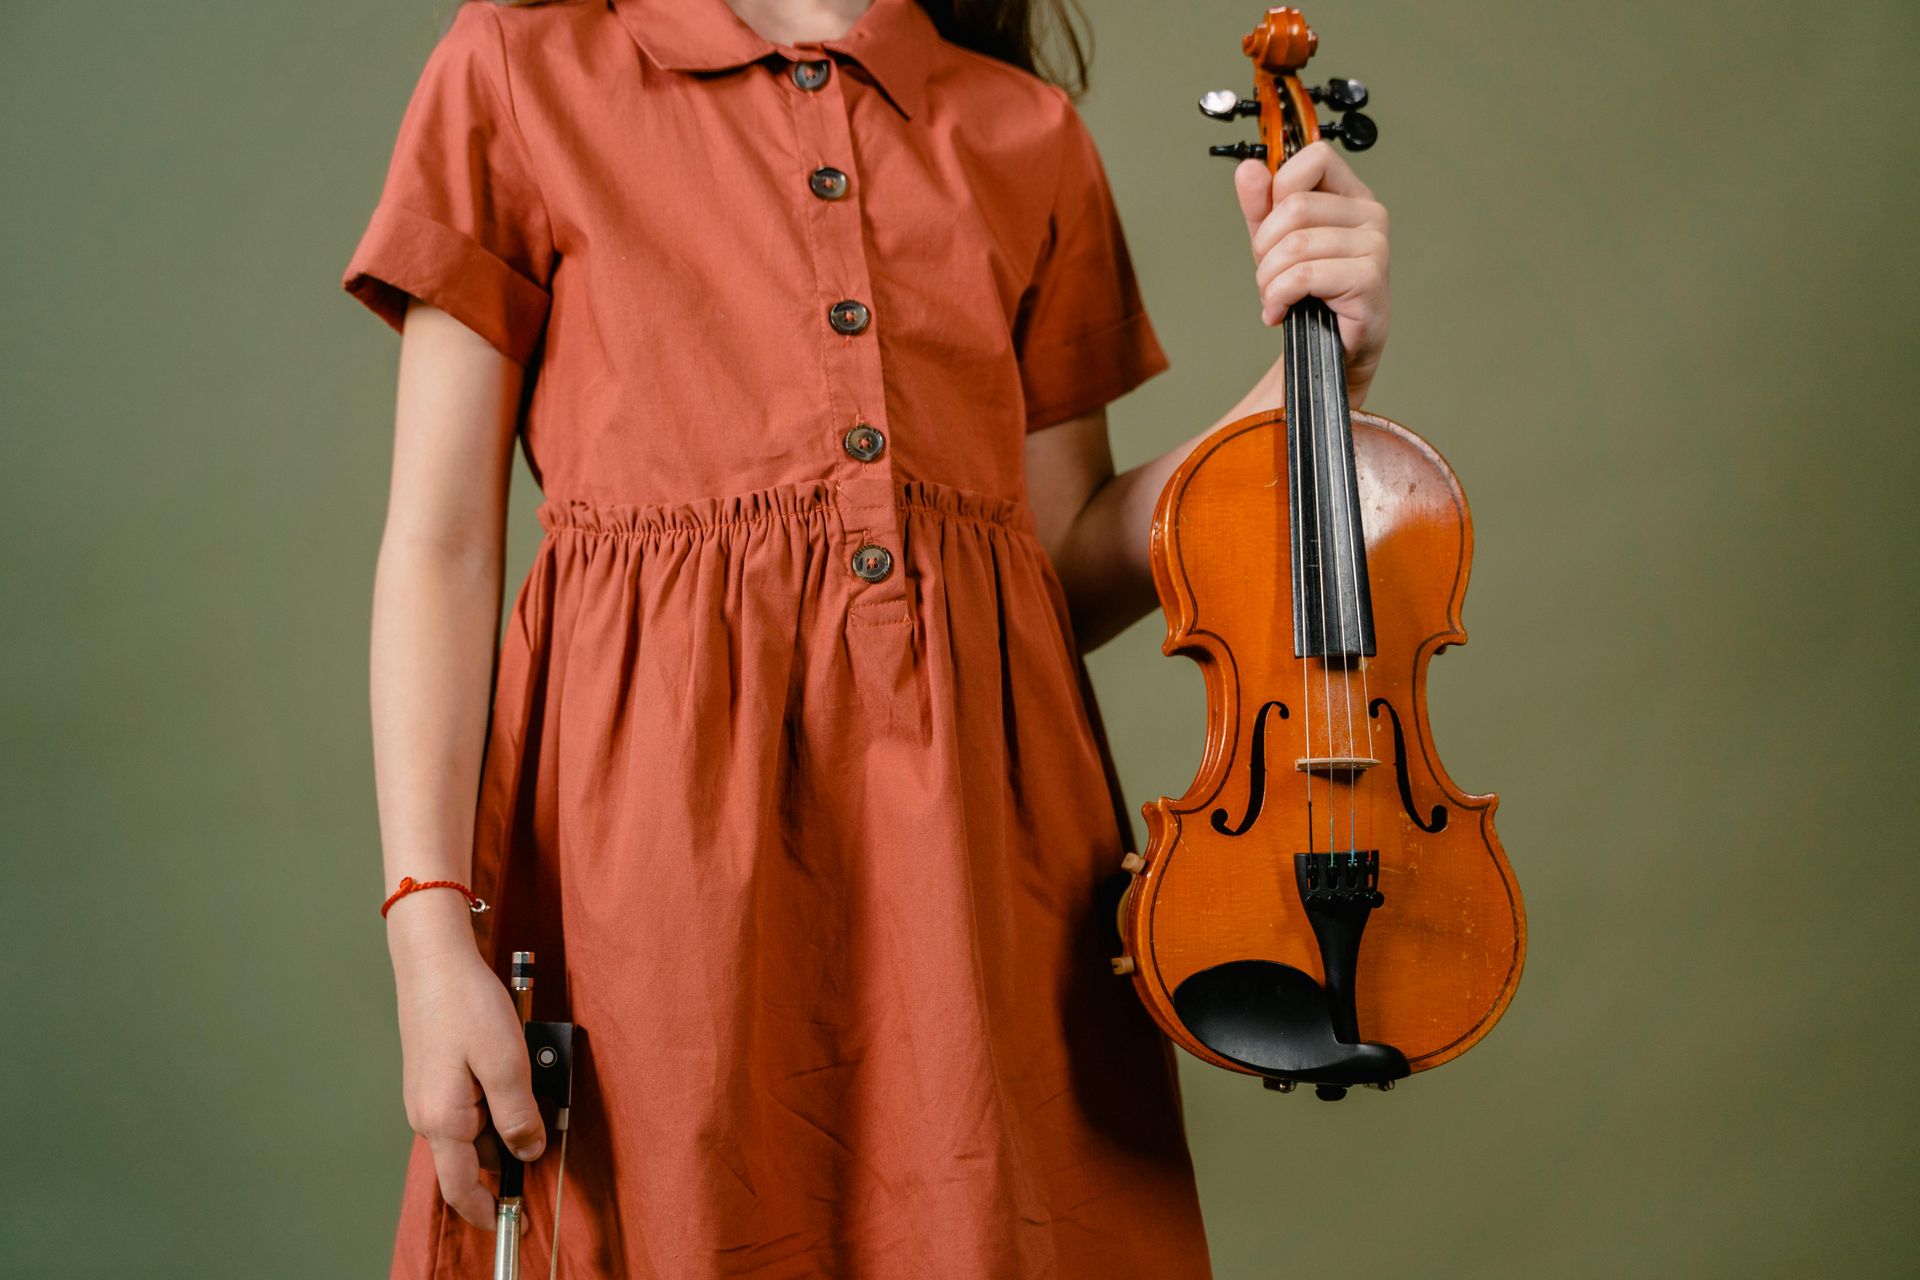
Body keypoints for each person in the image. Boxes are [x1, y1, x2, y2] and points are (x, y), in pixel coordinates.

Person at [342, 0, 1390, 1274]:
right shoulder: (518, 70)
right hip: (649, 889)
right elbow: (441, 544)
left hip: (977, 883)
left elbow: (1052, 564)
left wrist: (1305, 388)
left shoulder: (1025, 133)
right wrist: (424, 932)